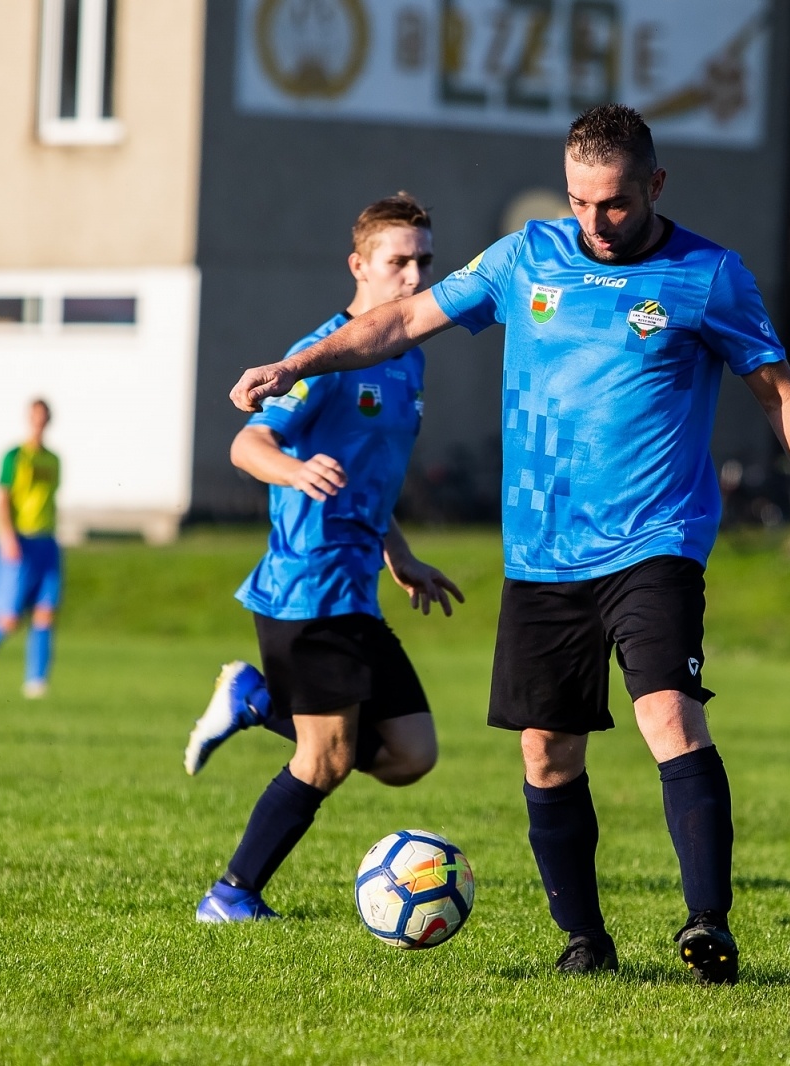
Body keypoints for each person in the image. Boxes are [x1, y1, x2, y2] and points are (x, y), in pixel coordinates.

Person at [230, 106, 790, 983]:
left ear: (654, 186)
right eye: (579, 201)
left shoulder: (708, 275)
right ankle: (585, 942)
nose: (594, 222)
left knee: (667, 715)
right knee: (546, 749)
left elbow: (779, 391)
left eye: (612, 204)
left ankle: (707, 925)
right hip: (541, 551)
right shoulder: (524, 258)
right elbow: (397, 323)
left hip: (656, 539)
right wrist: (297, 365)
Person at [186, 193, 463, 923]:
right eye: (397, 261)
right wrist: (293, 470)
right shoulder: (327, 355)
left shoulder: (408, 360)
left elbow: (368, 477)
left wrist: (397, 553)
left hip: (355, 587)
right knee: (326, 758)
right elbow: (248, 444)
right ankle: (230, 896)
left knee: (411, 753)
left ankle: (258, 700)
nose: (414, 275)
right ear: (359, 265)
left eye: (424, 261)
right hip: (305, 590)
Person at [0, 399, 62, 698]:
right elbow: (2, 497)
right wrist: (7, 535)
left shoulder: (54, 460)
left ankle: (36, 682)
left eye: (43, 418)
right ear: (28, 419)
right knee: (9, 617)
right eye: (34, 417)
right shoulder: (14, 456)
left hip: (46, 541)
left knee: (45, 613)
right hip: (20, 540)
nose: (38, 423)